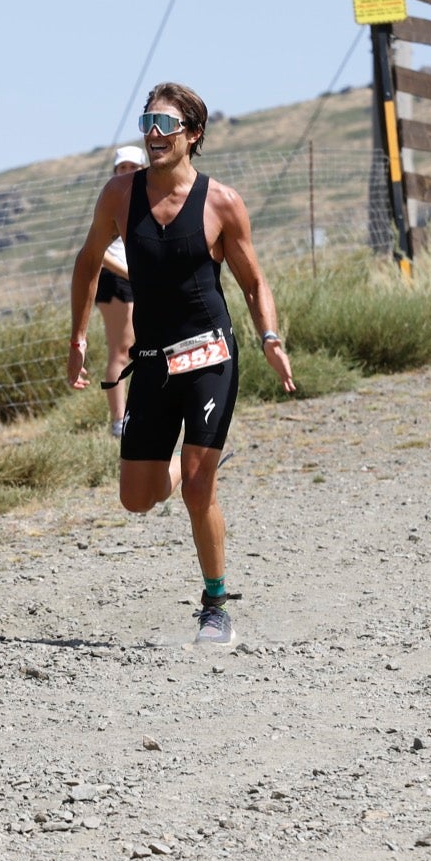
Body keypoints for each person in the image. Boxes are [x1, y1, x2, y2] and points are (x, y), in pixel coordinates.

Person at [67, 82, 295, 647]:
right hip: (152, 360)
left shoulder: (222, 202)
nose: (153, 132)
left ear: (193, 135)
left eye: (166, 124)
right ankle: (184, 465)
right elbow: (88, 262)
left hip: (211, 354)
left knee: (198, 488)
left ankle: (215, 606)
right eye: (148, 121)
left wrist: (269, 336)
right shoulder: (119, 195)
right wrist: (78, 336)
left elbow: (254, 282)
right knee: (136, 499)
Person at [94, 145, 145, 437]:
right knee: (122, 350)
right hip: (117, 279)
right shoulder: (113, 202)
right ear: (115, 172)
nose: (128, 172)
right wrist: (129, 274)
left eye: (133, 167)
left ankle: (141, 413)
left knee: (143, 345)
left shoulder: (145, 200)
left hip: (139, 279)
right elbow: (97, 251)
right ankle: (119, 421)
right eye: (122, 168)